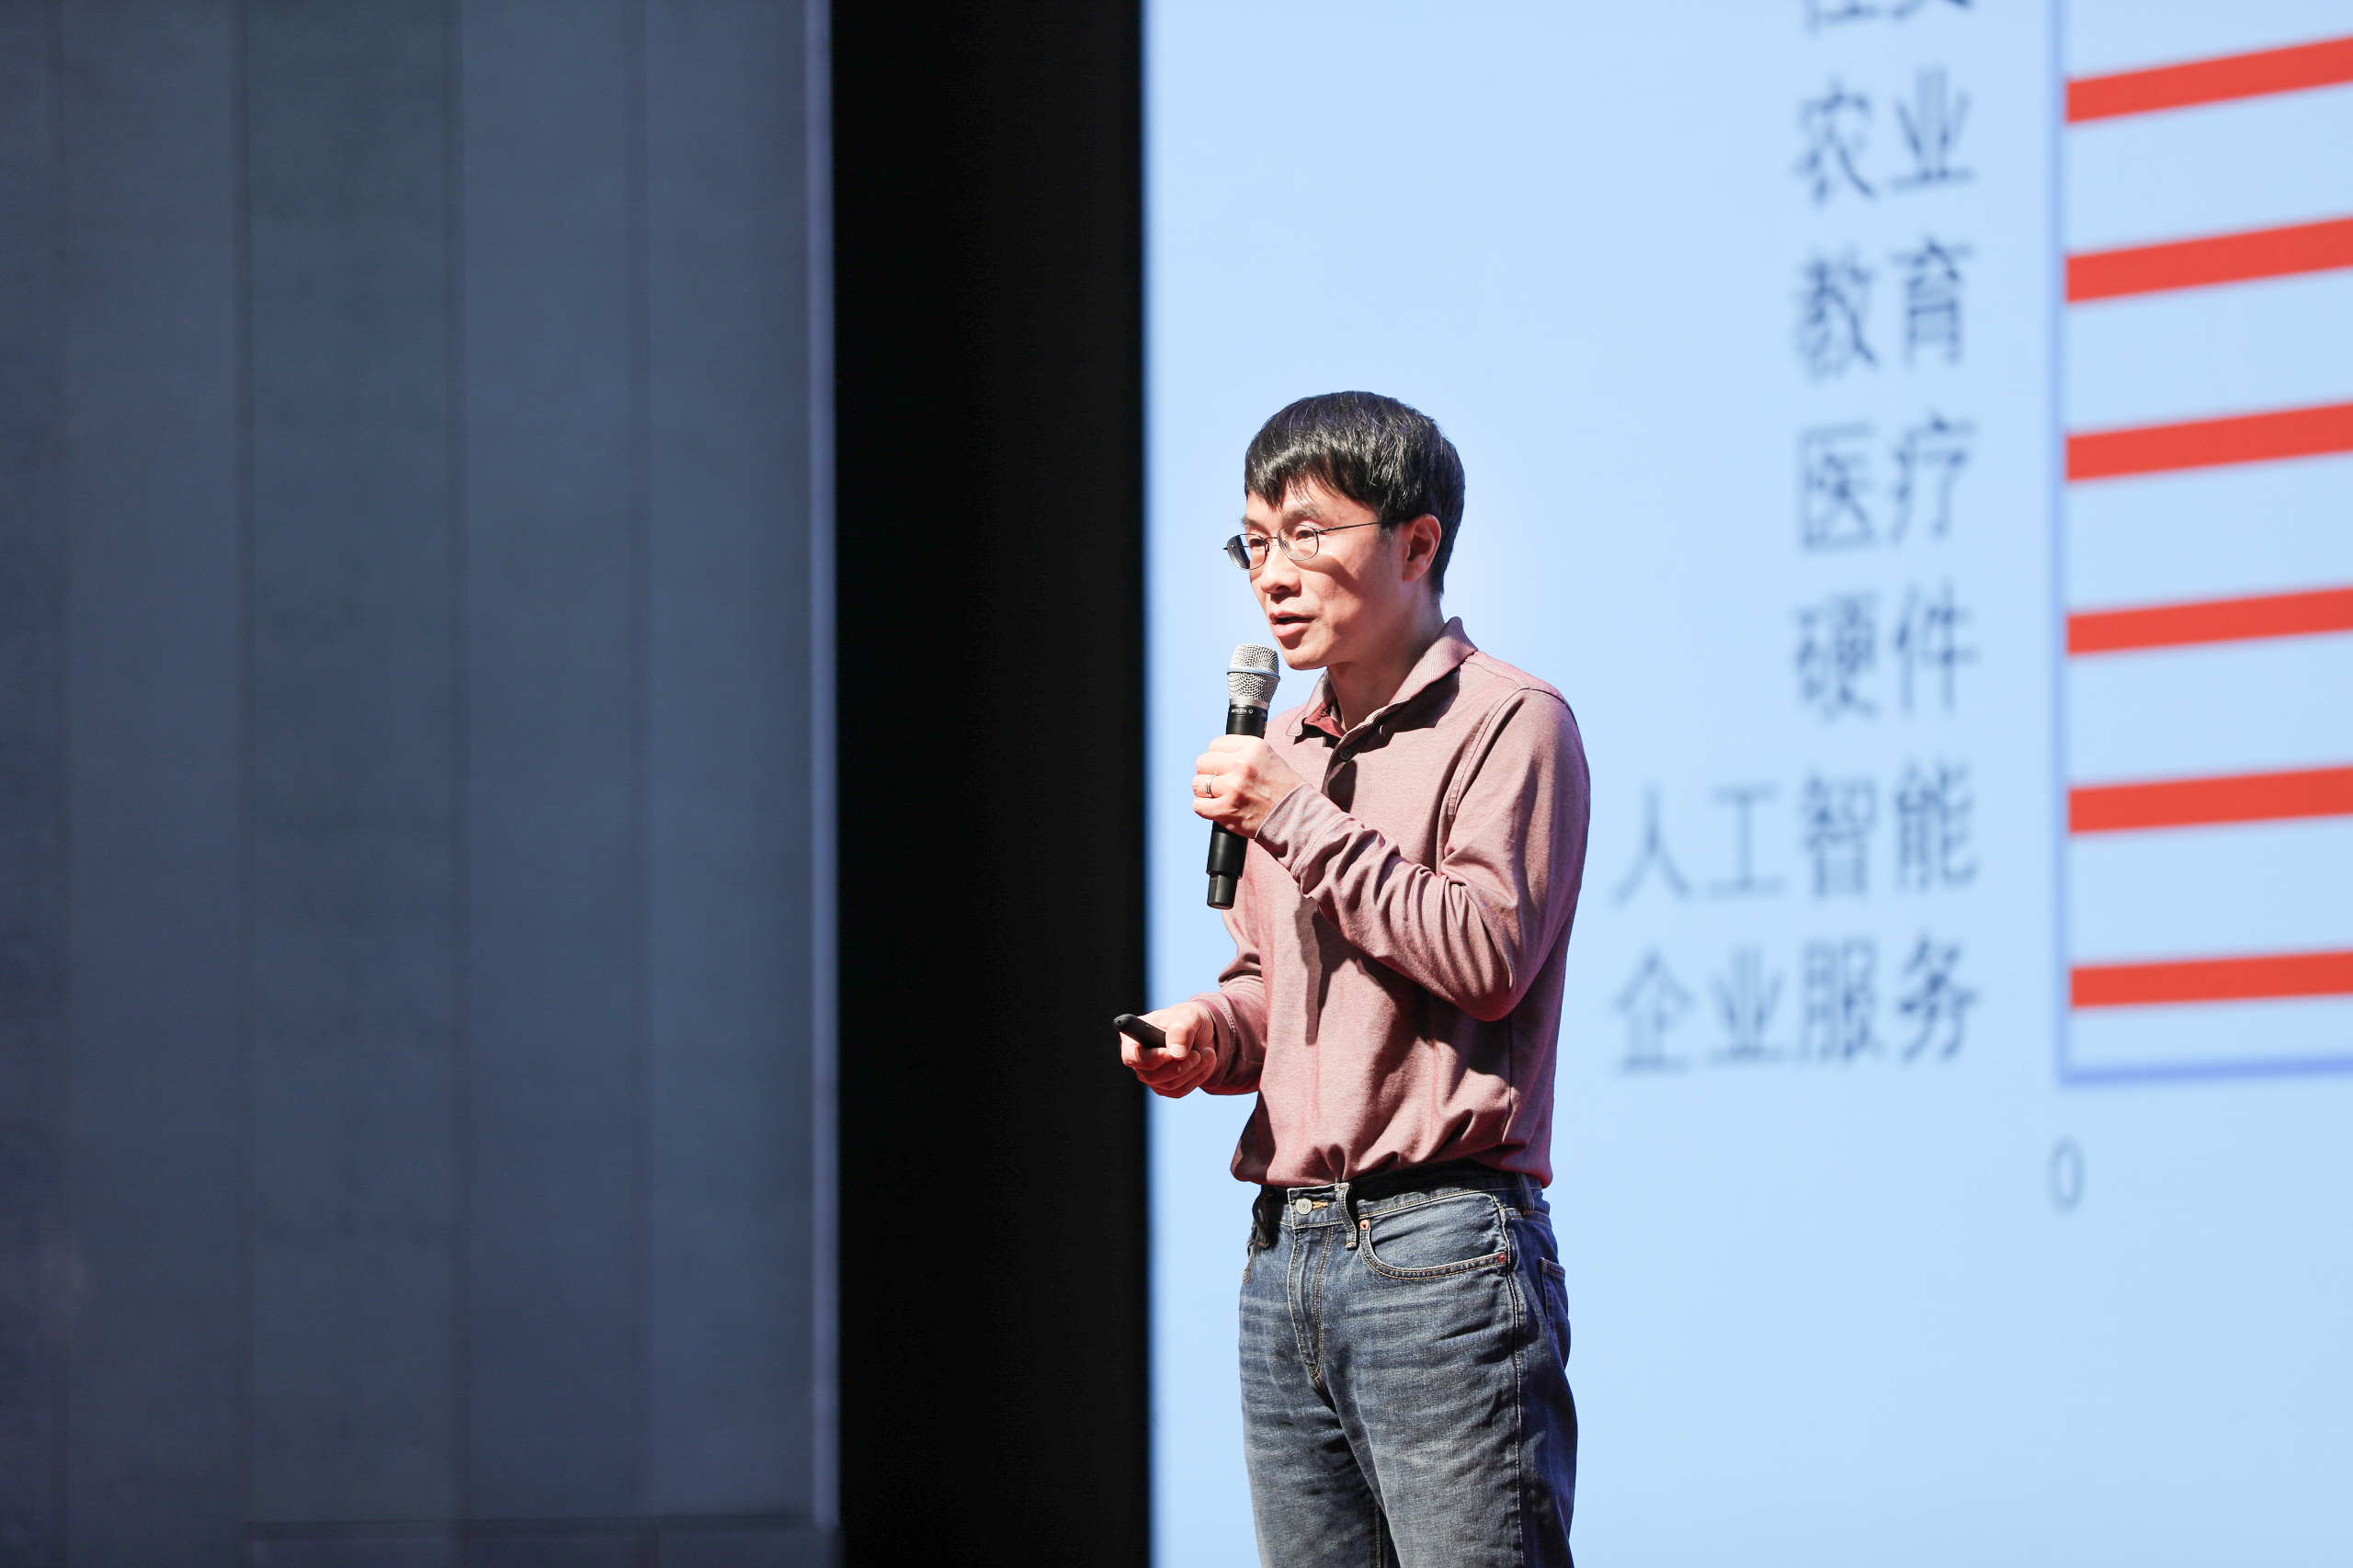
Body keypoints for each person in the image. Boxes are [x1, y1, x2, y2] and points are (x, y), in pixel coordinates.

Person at [1121, 392, 1590, 1567]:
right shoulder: (1282, 746)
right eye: (1252, 543)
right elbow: (1272, 987)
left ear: (1416, 542)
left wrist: (1292, 816)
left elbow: (1483, 954)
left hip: (1439, 1250)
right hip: (1285, 1249)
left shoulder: (1510, 722)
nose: (1271, 575)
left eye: (1306, 535)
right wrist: (1209, 1029)